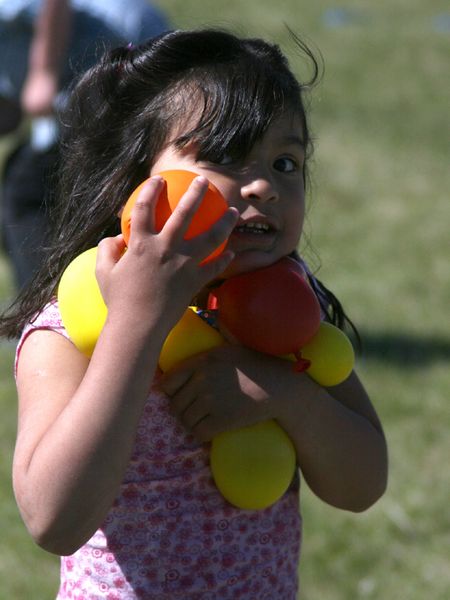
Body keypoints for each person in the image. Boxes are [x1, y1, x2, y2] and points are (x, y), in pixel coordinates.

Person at [0, 29, 388, 598]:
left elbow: (363, 483)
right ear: (130, 182)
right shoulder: (68, 333)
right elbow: (54, 521)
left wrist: (290, 396)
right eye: (225, 156)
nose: (262, 185)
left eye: (286, 161)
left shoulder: (286, 312)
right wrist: (136, 325)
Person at [0, 0, 170, 288]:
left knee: (30, 189)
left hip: (121, 62)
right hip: (81, 94)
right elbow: (11, 116)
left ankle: (44, 301)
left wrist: (44, 73)